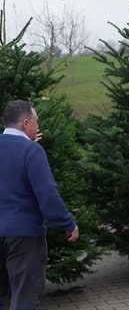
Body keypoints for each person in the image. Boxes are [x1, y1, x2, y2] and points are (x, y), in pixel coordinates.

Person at [0, 100, 79, 309]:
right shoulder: (32, 152)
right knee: (24, 298)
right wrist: (68, 223)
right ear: (26, 123)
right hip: (24, 237)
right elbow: (47, 195)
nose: (38, 126)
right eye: (36, 121)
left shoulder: (26, 148)